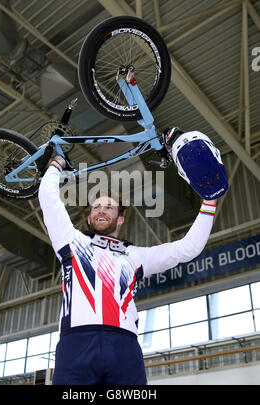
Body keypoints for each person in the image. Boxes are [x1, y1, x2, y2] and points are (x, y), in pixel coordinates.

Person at [38, 139, 220, 385]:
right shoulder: (71, 241)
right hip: (76, 344)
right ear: (90, 217)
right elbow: (48, 199)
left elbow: (187, 249)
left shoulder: (136, 255)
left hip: (124, 346)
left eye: (109, 208)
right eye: (97, 207)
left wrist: (209, 202)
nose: (102, 210)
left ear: (120, 219)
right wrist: (57, 164)